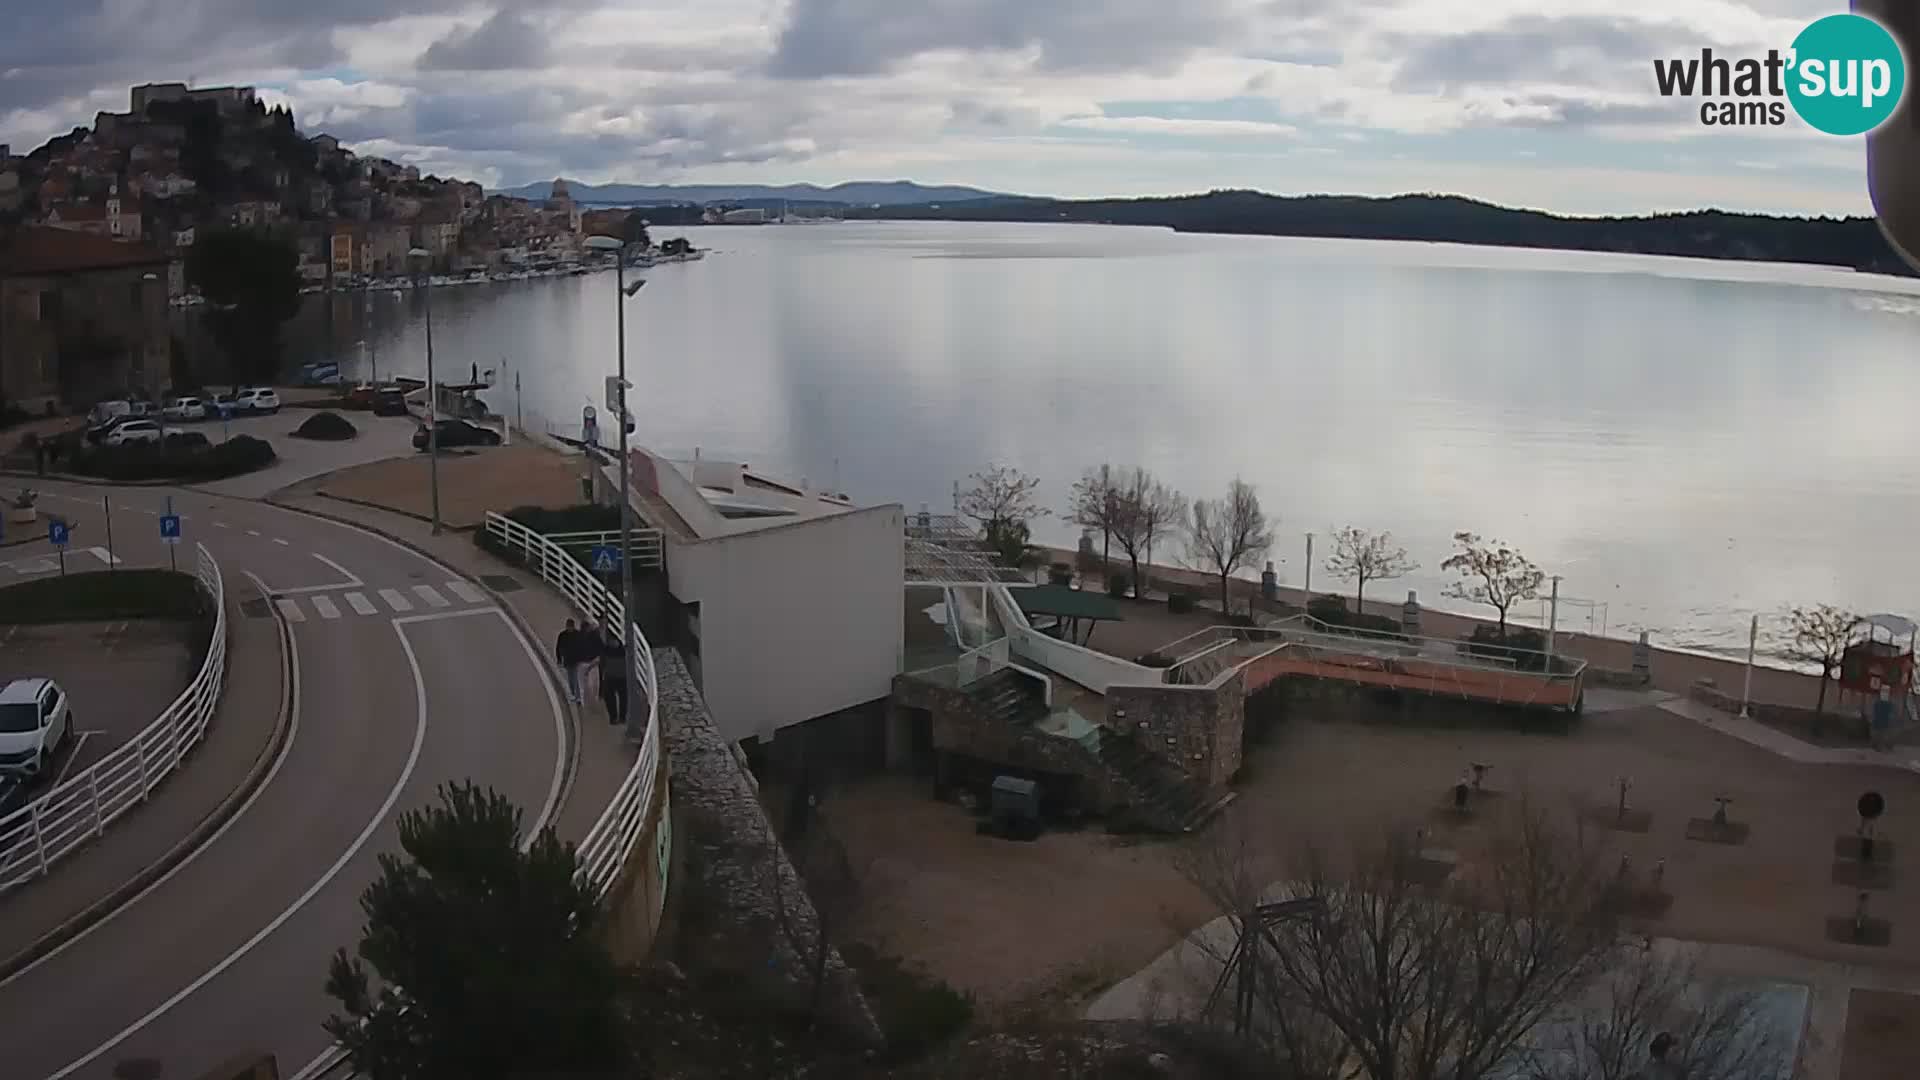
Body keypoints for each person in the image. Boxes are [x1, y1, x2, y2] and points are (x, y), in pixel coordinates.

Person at [598, 636, 628, 727]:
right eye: (611, 641)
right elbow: (602, 664)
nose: (613, 643)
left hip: (621, 677)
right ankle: (613, 717)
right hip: (610, 677)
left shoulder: (621, 650)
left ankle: (622, 717)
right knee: (610, 698)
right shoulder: (606, 650)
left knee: (623, 698)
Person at [554, 618, 582, 704]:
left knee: (575, 678)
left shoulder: (578, 635)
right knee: (570, 678)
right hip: (567, 659)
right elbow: (558, 648)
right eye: (568, 627)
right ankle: (573, 693)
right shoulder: (562, 635)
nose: (569, 629)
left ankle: (577, 696)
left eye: (571, 627)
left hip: (576, 659)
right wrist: (559, 659)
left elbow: (582, 646)